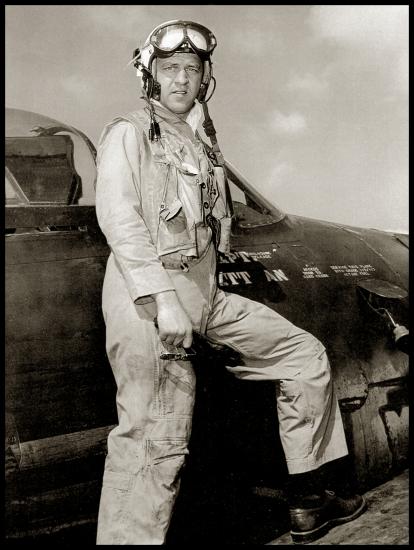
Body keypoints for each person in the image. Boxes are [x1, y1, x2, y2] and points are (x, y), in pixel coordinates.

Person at [95, 19, 366, 545]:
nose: (181, 80)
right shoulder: (129, 132)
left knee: (304, 356)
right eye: (170, 69)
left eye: (191, 71)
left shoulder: (197, 141)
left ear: (204, 80)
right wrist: (162, 299)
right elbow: (119, 219)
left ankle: (309, 498)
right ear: (151, 76)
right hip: (147, 301)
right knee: (156, 441)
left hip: (205, 296)